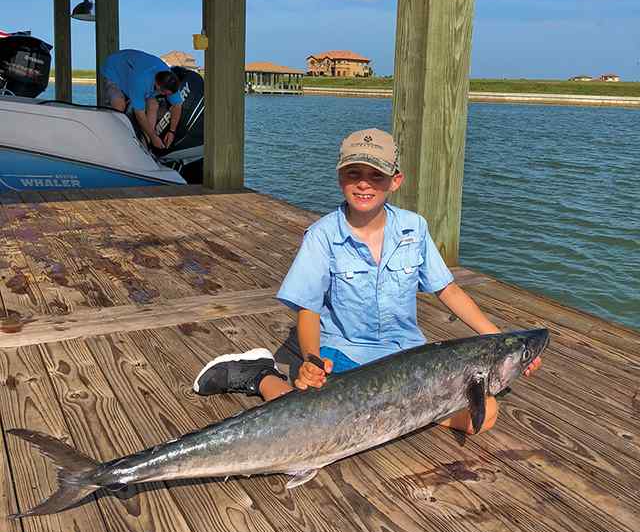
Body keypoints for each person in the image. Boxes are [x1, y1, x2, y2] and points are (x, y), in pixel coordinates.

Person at [193, 128, 542, 434]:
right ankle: (261, 375)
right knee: (310, 422)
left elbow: (447, 289)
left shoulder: (414, 228)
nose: (364, 183)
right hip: (343, 352)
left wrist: (501, 341)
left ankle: (377, 416)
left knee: (485, 416)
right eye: (354, 173)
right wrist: (311, 360)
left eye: (376, 175)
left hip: (404, 354)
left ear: (395, 181)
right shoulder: (322, 236)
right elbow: (309, 310)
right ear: (339, 177)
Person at [101, 48, 182, 150]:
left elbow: (177, 106)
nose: (167, 96)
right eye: (164, 93)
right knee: (119, 105)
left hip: (136, 68)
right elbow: (140, 114)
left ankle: (145, 145)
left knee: (153, 105)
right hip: (115, 67)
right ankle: (113, 142)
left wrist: (172, 132)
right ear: (157, 85)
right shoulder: (140, 81)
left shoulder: (170, 80)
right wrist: (154, 137)